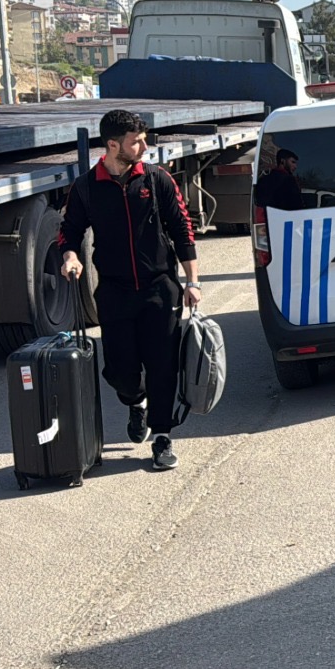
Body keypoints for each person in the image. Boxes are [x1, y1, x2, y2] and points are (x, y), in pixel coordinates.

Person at [58, 109, 201, 471]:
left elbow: (182, 228)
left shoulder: (156, 179)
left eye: (143, 139)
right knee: (121, 370)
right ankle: (136, 401)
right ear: (112, 145)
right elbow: (69, 232)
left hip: (160, 289)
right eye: (135, 141)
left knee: (162, 366)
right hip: (115, 292)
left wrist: (192, 281)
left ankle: (163, 437)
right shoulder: (87, 188)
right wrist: (71, 257)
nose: (144, 146)